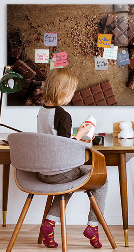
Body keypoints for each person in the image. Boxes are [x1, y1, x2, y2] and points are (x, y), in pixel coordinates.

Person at [37, 69, 107, 249]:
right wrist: (82, 134)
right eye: (72, 91)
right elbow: (65, 146)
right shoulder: (63, 115)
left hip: (43, 172)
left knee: (67, 184)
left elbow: (54, 140)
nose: (72, 95)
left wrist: (76, 136)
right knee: (102, 180)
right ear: (63, 92)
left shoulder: (42, 111)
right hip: (60, 172)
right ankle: (93, 226)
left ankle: (49, 224)